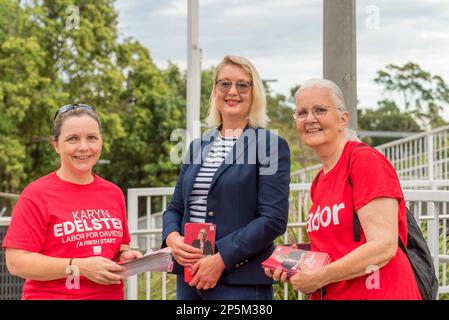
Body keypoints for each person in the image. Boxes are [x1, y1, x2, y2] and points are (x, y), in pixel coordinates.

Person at [265, 78, 421, 300]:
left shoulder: (364, 160)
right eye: (301, 113)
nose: (310, 119)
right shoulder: (319, 181)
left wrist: (319, 277)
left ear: (343, 119)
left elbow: (383, 245)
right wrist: (298, 261)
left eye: (320, 110)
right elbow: (340, 244)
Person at [163, 55, 291, 300]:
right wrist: (172, 238)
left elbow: (273, 219)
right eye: (225, 84)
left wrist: (221, 259)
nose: (232, 91)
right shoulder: (197, 146)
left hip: (238, 282)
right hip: (189, 277)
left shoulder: (270, 145)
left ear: (255, 93)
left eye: (242, 85)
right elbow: (175, 208)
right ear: (215, 90)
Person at [3, 104, 142, 300]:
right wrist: (78, 266)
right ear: (56, 145)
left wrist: (125, 257)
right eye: (73, 139)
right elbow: (16, 262)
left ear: (101, 142)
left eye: (92, 138)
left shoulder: (113, 193)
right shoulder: (36, 195)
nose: (84, 147)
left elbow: (121, 246)